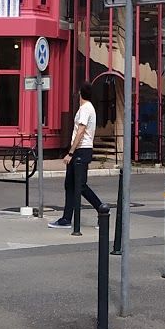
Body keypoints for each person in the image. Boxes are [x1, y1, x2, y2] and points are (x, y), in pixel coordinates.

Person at [50, 83, 106, 230]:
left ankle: (102, 209)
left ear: (80, 93)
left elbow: (80, 131)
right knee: (70, 184)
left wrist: (71, 152)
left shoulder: (86, 109)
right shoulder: (87, 108)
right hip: (81, 150)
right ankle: (66, 218)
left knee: (80, 185)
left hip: (81, 150)